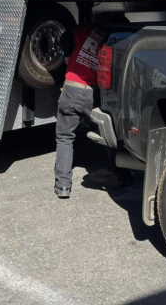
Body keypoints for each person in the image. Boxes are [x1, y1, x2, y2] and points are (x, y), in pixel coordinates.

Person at [53, 21, 108, 199]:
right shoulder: (111, 39)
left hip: (72, 88)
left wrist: (68, 56)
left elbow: (65, 37)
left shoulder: (86, 30)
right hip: (94, 92)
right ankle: (121, 176)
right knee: (108, 135)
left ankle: (63, 186)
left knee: (64, 137)